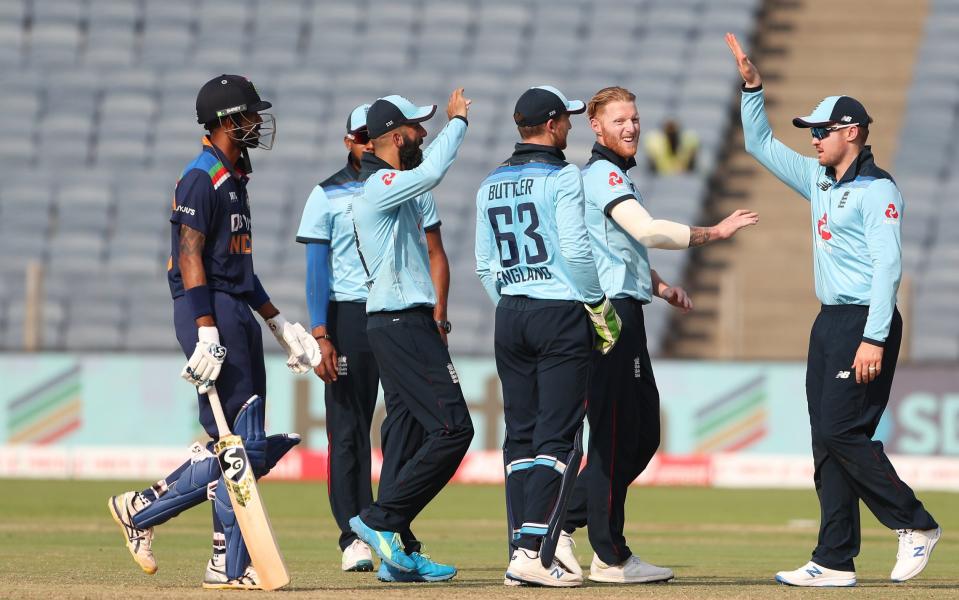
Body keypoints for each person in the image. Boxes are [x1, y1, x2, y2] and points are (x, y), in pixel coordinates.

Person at [726, 32, 941, 587]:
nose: (814, 139)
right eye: (812, 132)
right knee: (826, 439)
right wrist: (753, 88)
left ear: (851, 132)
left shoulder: (877, 189)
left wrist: (873, 336)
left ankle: (914, 524)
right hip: (829, 323)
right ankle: (834, 559)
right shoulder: (821, 179)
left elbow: (888, 268)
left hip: (864, 321)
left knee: (844, 433)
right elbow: (760, 146)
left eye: (821, 131)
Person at [107, 74, 320, 590]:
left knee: (239, 441)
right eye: (250, 115)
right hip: (209, 309)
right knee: (241, 443)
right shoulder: (201, 177)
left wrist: (278, 323)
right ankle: (222, 561)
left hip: (234, 306)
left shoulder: (234, 179)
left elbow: (240, 267)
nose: (256, 124)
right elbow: (189, 256)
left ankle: (149, 512)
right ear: (226, 121)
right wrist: (205, 328)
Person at [554, 86, 758, 584]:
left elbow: (617, 249)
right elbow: (645, 232)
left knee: (641, 435)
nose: (631, 127)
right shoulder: (601, 175)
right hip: (609, 317)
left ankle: (565, 526)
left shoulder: (615, 175)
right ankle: (608, 555)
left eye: (635, 118)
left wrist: (660, 286)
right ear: (596, 128)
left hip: (629, 308)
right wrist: (714, 232)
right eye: (619, 120)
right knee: (615, 435)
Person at [295, 103, 453, 576]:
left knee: (406, 425)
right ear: (349, 142)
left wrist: (439, 317)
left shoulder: (409, 183)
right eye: (359, 136)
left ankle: (393, 530)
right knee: (348, 429)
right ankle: (353, 535)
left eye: (372, 135)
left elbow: (435, 252)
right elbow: (316, 270)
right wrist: (321, 333)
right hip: (348, 316)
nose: (367, 143)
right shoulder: (325, 195)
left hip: (400, 313)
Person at [475, 85, 622, 588]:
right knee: (559, 439)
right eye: (568, 120)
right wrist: (597, 306)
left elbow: (483, 264)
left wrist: (514, 303)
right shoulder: (562, 177)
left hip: (510, 311)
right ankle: (534, 553)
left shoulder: (489, 182)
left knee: (519, 436)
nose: (572, 128)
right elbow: (578, 253)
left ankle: (519, 547)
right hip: (559, 310)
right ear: (554, 124)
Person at [346, 90, 472, 583]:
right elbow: (432, 172)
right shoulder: (380, 185)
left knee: (404, 435)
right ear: (396, 136)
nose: (423, 134)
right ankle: (381, 521)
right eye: (417, 127)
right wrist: (458, 123)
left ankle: (398, 554)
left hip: (402, 321)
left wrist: (437, 317)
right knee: (454, 428)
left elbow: (426, 195)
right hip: (400, 322)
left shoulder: (389, 185)